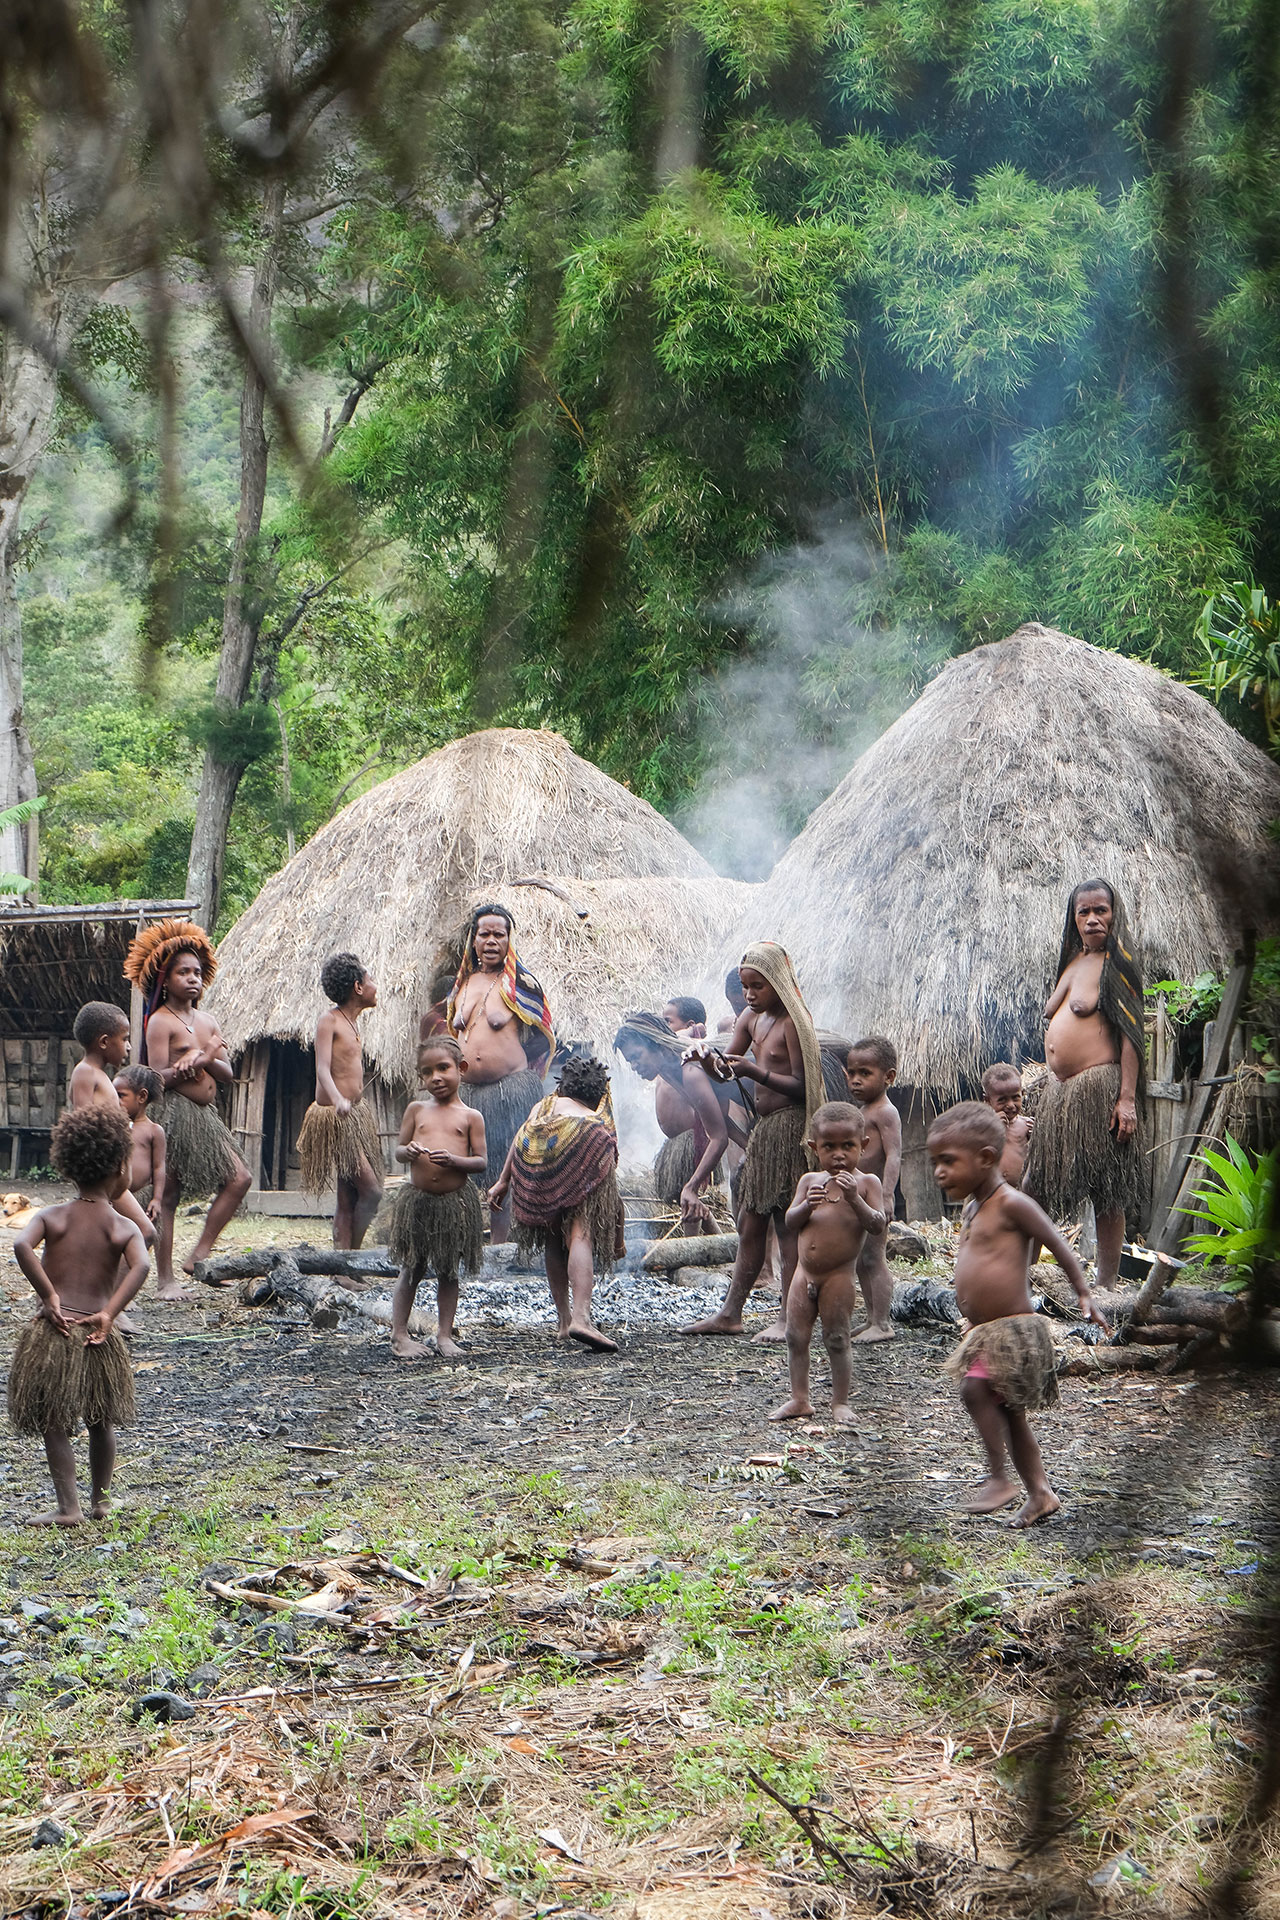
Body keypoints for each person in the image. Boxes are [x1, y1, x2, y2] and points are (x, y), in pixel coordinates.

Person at [929, 1101, 1108, 1527]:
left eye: (948, 1161)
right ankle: (1041, 1492)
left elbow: (1057, 1243)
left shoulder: (1011, 1203)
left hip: (1014, 1330)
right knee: (1011, 1413)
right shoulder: (973, 1207)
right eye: (935, 1161)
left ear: (986, 1158)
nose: (938, 1171)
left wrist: (1083, 1293)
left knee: (975, 1391)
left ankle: (999, 1479)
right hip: (986, 1331)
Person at [9, 1105, 147, 1527]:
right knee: (102, 1418)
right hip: (97, 1334)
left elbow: (20, 1247)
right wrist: (109, 1313)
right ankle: (101, 1501)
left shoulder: (54, 1216)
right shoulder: (121, 1225)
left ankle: (68, 1508)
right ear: (121, 1167)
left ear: (68, 1166)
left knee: (55, 1420)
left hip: (55, 1331)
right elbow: (141, 1266)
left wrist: (48, 1296)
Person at [680, 941, 826, 1341]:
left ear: (777, 983)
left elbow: (802, 1085)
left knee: (786, 1225)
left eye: (757, 986)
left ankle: (789, 1316)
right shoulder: (749, 1018)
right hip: (765, 1133)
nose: (749, 995)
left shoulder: (792, 1024)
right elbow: (726, 1069)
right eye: (745, 987)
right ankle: (731, 1313)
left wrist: (756, 1074)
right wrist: (704, 1059)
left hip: (791, 1128)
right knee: (749, 1223)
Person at [1022, 880, 1147, 1291]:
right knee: (1034, 1185)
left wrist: (1126, 1099)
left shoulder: (1120, 964)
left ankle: (1107, 1286)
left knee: (1106, 1188)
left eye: (1101, 910)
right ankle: (1018, 1277)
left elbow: (1131, 1035)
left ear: (1114, 914)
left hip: (1101, 1088)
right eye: (1084, 912)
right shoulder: (1072, 962)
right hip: (1061, 1095)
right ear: (1073, 919)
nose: (1093, 919)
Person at [122, 919, 252, 1283]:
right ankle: (164, 1280)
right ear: (166, 979)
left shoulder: (207, 1020)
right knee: (169, 1195)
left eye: (196, 972)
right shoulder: (160, 1022)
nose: (192, 978)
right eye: (183, 972)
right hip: (175, 1114)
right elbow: (154, 1077)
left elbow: (226, 1073)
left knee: (240, 1178)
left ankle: (199, 1254)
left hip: (206, 1116)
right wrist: (190, 1064)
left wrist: (206, 1057)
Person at [490, 1053, 625, 1353]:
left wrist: (503, 1181)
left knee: (553, 1237)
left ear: (563, 1085)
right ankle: (581, 1318)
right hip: (582, 1139)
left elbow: (518, 1137)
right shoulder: (593, 1115)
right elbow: (609, 1146)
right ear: (598, 1093)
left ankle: (564, 1322)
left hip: (537, 1153)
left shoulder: (545, 1105)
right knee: (580, 1233)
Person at [770, 1103, 885, 1427]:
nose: (838, 1155)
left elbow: (877, 1223)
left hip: (838, 1276)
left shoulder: (867, 1184)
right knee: (795, 1336)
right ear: (813, 1148)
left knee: (836, 1337)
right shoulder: (809, 1181)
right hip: (803, 1274)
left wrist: (855, 1200)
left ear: (863, 1145)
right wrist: (806, 1205)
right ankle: (799, 1398)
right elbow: (791, 1221)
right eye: (829, 1147)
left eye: (847, 1146)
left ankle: (840, 1402)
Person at [445, 904, 554, 1243]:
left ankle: (505, 1245)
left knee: (508, 1171)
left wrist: (513, 1064)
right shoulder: (462, 984)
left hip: (511, 1090)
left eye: (499, 934)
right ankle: (464, 1240)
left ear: (509, 940)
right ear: (473, 941)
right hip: (467, 1094)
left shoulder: (521, 984)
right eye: (484, 934)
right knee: (458, 1169)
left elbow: (544, 1035)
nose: (491, 941)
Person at [388, 1037, 486, 1361]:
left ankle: (444, 1335)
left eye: (443, 1068)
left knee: (448, 1271)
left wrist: (456, 1162)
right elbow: (400, 1151)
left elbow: (481, 1161)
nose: (436, 1078)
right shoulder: (416, 1110)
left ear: (461, 1068)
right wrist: (409, 1151)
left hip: (454, 1204)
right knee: (411, 1267)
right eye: (427, 1073)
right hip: (418, 1202)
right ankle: (399, 1336)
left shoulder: (471, 1116)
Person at [66, 1002, 160, 1305]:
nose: (130, 1047)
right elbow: (84, 1125)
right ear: (105, 1042)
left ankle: (107, 1306)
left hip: (113, 1178)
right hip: (100, 1181)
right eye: (126, 1038)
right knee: (141, 1232)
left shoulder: (103, 1077)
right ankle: (101, 1305)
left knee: (142, 1233)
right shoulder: (85, 1074)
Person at [614, 1010, 741, 1229]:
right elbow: (721, 1122)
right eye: (630, 1061)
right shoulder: (671, 1073)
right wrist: (751, 1146)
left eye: (636, 1057)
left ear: (656, 1044)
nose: (634, 1067)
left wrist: (691, 1187)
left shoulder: (689, 1070)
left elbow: (719, 1138)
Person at [297, 952, 384, 1250]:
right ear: (358, 987)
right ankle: (350, 1259)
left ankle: (344, 1265)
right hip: (334, 1118)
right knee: (371, 1191)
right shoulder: (329, 1020)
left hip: (353, 1115)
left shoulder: (353, 1023)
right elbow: (321, 1069)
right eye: (370, 979)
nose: (375, 985)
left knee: (348, 1197)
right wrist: (337, 1101)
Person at [844, 1036, 902, 1343]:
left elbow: (894, 1154)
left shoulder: (885, 1112)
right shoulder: (863, 1110)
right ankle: (871, 1318)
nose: (855, 1080)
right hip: (859, 1199)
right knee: (861, 1260)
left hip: (877, 1198)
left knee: (874, 1258)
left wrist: (888, 1195)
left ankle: (882, 1322)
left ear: (888, 1077)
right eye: (852, 1073)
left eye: (865, 1073)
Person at [115, 1066, 166, 1225]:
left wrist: (156, 1199)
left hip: (140, 1200)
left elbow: (159, 1167)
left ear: (142, 1096)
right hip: (116, 1198)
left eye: (121, 1096)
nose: (115, 1101)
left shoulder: (153, 1131)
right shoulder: (114, 1127)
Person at [982, 1064, 1032, 1187]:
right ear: (987, 1100)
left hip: (1022, 1192)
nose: (1010, 1104)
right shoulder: (983, 1128)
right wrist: (993, 1129)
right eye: (1002, 1100)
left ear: (1023, 1094)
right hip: (993, 1192)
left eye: (1015, 1098)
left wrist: (1036, 1136)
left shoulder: (1026, 1125)